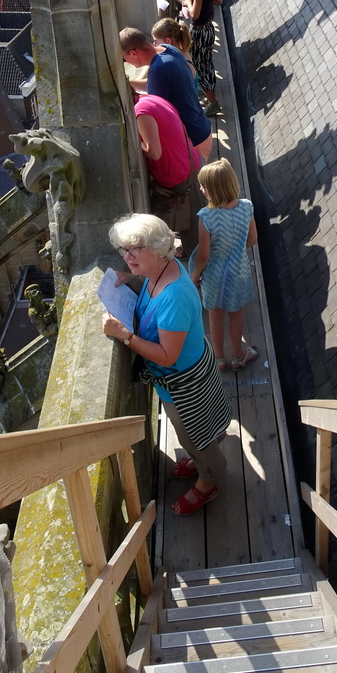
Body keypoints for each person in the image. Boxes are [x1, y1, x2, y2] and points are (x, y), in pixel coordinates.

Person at [103, 213, 230, 516]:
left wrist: (125, 336)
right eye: (123, 249)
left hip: (185, 384)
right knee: (195, 431)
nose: (127, 255)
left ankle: (209, 478)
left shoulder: (173, 296)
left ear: (158, 249)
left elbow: (166, 355)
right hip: (188, 374)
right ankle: (199, 458)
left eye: (135, 249)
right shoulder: (160, 270)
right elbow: (150, 282)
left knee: (192, 435)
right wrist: (131, 275)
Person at [189, 158, 259, 372]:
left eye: (202, 185)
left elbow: (203, 255)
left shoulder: (206, 217)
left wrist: (194, 276)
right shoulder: (246, 207)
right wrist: (235, 249)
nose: (200, 188)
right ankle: (238, 357)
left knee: (215, 316)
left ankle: (219, 360)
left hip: (214, 276)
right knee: (236, 314)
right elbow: (253, 239)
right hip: (239, 272)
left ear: (211, 190)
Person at [120, 27, 213, 161]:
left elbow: (154, 110)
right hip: (202, 127)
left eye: (124, 58)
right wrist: (130, 83)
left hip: (194, 139)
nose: (126, 62)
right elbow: (155, 84)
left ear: (134, 53)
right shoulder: (167, 49)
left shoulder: (158, 70)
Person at [134, 92, 202, 255]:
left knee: (192, 220)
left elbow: (154, 152)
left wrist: (138, 144)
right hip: (189, 161)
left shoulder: (141, 113)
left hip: (179, 173)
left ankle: (194, 255)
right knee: (196, 211)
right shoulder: (151, 99)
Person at [181, 0, 221, 117]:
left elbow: (194, 15)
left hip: (199, 32)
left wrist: (189, 0)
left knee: (199, 65)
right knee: (207, 62)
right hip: (209, 29)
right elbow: (219, 1)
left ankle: (212, 102)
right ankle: (210, 96)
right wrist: (203, 1)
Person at [152, 17, 198, 96]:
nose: (154, 44)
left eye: (156, 41)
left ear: (168, 41)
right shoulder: (183, 51)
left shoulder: (180, 64)